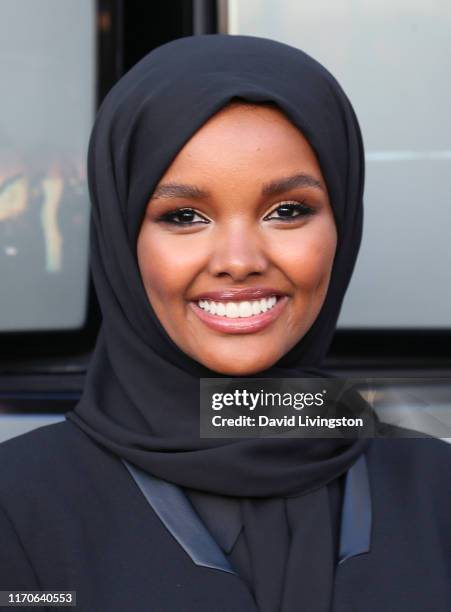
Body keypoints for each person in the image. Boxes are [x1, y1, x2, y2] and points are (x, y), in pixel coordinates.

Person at [0, 34, 450, 612]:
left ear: (343, 221)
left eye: (288, 211)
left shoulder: (435, 492)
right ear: (120, 237)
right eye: (184, 216)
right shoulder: (20, 505)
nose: (239, 260)